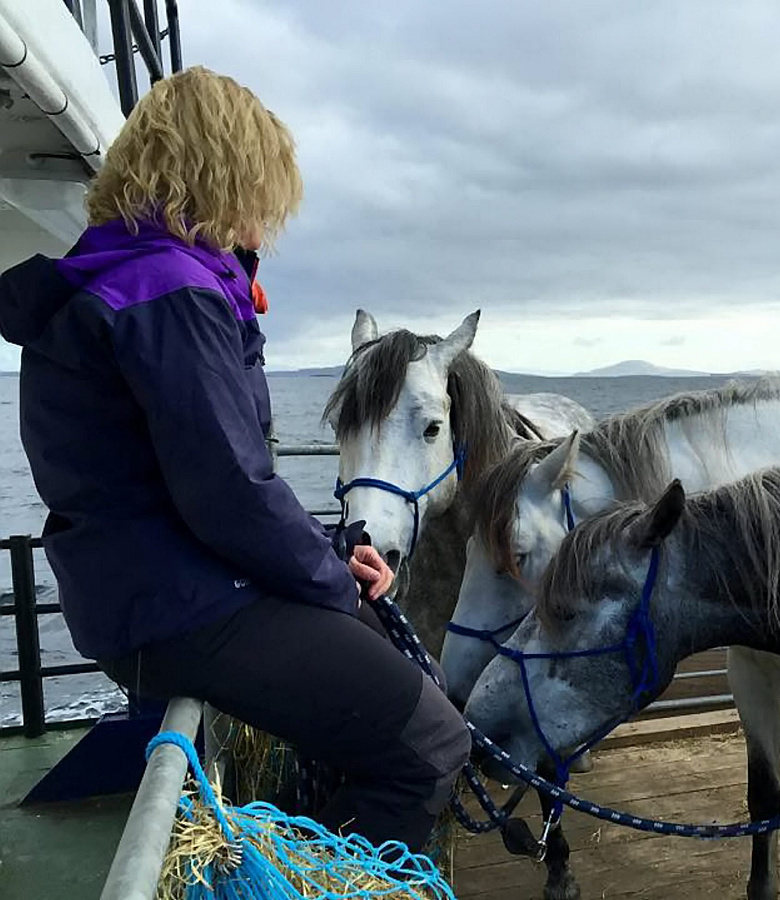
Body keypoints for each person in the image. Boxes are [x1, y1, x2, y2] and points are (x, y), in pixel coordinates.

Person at [0, 66, 469, 852]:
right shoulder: (170, 291)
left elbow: (201, 476)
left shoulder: (128, 279)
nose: (268, 223)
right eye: (265, 193)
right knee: (430, 746)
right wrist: (327, 579)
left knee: (397, 692)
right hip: (181, 605)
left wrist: (330, 554)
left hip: (150, 595)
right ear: (227, 175)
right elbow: (226, 491)